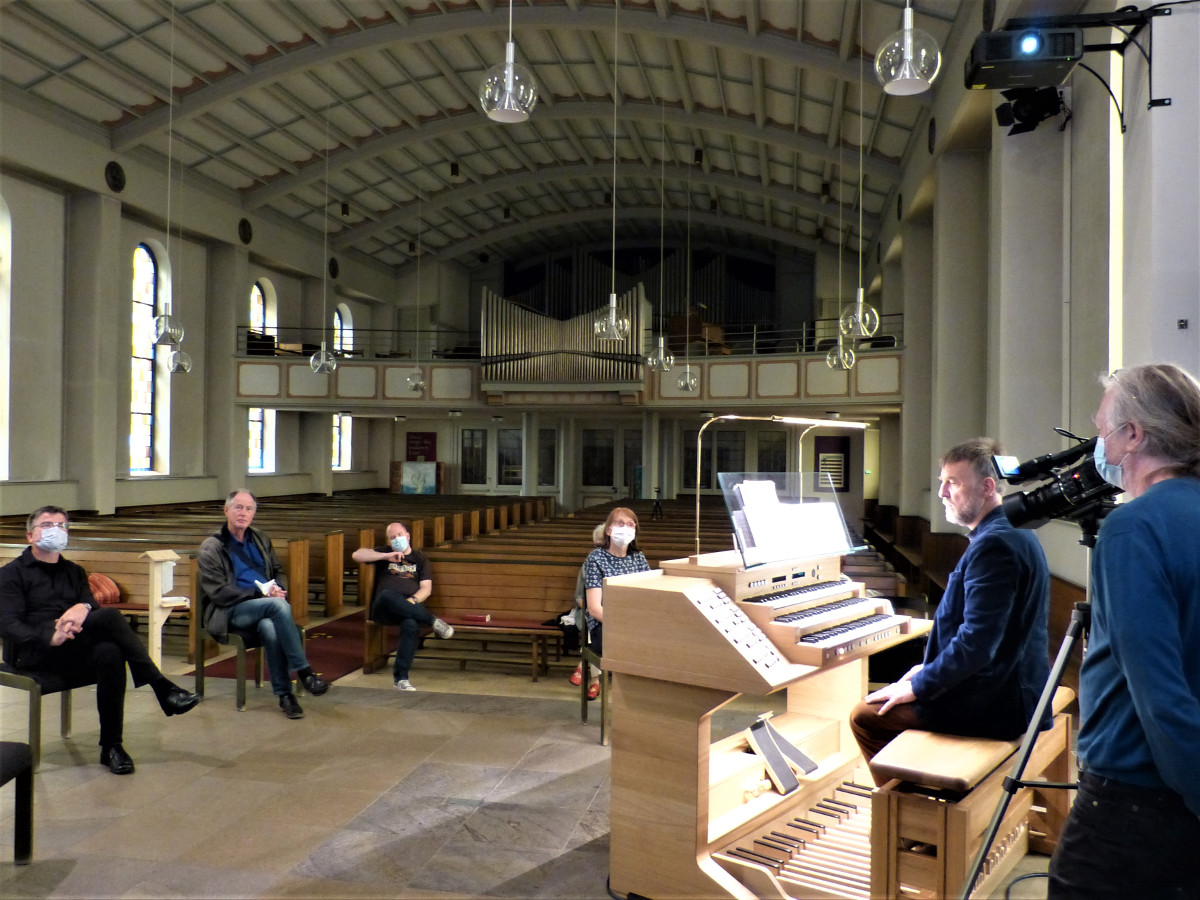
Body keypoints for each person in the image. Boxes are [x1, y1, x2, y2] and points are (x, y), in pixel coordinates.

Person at [1047, 364, 1200, 899]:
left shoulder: (1134, 526)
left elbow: (1161, 699)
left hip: (1138, 802)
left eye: (1104, 429)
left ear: (1134, 434)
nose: (1100, 446)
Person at [849, 437, 1051, 785]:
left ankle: (911, 815)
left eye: (952, 483)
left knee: (865, 716)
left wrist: (923, 684)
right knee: (900, 686)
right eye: (942, 481)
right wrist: (927, 669)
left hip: (996, 704)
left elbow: (976, 644)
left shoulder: (995, 544)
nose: (942, 492)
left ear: (987, 487)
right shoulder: (1014, 530)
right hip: (1012, 686)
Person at [0, 506, 201, 775]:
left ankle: (111, 747)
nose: (55, 531)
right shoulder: (11, 573)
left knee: (110, 652)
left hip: (72, 645)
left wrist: (82, 607)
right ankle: (162, 687)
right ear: (30, 535)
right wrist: (50, 634)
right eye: (47, 525)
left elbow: (90, 603)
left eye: (61, 526)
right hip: (31, 651)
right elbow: (7, 624)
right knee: (110, 617)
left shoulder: (74, 571)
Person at [197, 490, 329, 719]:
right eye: (238, 507)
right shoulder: (212, 547)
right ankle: (306, 673)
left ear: (253, 514)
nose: (243, 513)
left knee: (270, 626)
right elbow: (219, 592)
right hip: (230, 610)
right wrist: (259, 593)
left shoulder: (260, 539)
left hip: (264, 605)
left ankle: (285, 696)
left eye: (249, 509)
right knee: (278, 608)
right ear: (226, 510)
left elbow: (278, 570)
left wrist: (278, 589)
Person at [351, 521, 453, 691]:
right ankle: (433, 621)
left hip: (409, 607)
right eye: (392, 538)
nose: (397, 539)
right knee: (387, 595)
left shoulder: (419, 558)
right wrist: (385, 556)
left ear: (408, 536)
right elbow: (357, 555)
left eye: (399, 535)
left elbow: (426, 589)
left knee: (411, 625)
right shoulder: (384, 552)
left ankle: (401, 678)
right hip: (383, 609)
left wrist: (411, 602)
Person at [582, 507, 651, 700]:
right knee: (637, 648)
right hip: (605, 626)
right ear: (609, 530)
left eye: (630, 524)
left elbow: (648, 598)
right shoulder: (596, 558)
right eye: (620, 523)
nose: (626, 528)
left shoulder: (638, 558)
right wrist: (625, 624)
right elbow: (595, 608)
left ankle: (649, 707)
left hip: (634, 624)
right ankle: (629, 707)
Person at [568, 523, 607, 686]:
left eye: (603, 544)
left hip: (611, 614)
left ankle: (584, 666)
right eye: (597, 544)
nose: (599, 548)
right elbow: (577, 596)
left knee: (597, 628)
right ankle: (595, 681)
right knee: (594, 624)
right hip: (587, 613)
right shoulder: (588, 564)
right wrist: (591, 605)